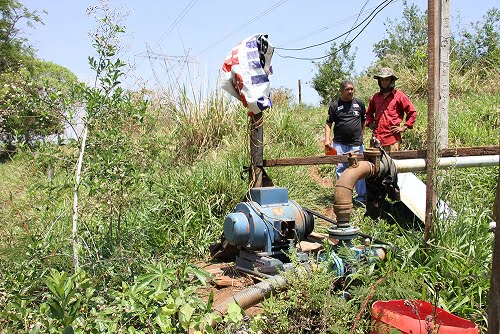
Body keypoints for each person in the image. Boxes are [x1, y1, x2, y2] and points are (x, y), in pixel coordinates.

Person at [324, 80, 367, 203]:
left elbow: (363, 121)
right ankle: (343, 198)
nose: (350, 91)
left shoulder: (359, 103)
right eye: (348, 89)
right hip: (340, 145)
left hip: (356, 145)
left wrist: (361, 136)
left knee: (359, 171)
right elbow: (328, 123)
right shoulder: (334, 106)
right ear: (341, 91)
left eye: (352, 89)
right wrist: (327, 140)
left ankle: (361, 199)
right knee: (341, 171)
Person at [366, 67, 417, 152]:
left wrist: (404, 127)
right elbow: (368, 113)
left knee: (392, 164)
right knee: (376, 164)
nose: (384, 82)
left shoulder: (399, 96)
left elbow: (412, 112)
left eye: (386, 79)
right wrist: (370, 123)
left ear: (391, 80)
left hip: (392, 139)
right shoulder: (375, 97)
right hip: (377, 138)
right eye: (382, 80)